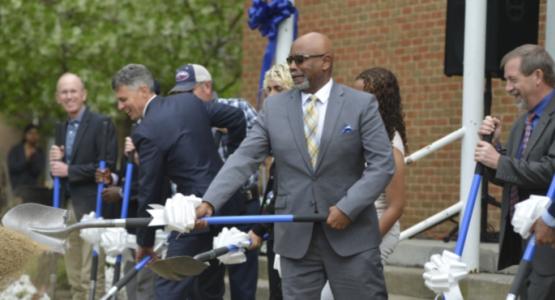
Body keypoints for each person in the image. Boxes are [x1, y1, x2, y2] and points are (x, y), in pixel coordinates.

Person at [197, 32, 395, 299]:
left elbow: (382, 164)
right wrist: (210, 201)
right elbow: (244, 158)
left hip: (352, 236)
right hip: (295, 240)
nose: (292, 66)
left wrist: (349, 208)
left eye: (300, 60)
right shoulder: (274, 108)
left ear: (326, 62)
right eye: (290, 60)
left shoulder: (360, 104)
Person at [111, 63, 246, 300]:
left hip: (196, 214)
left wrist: (145, 242)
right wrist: (232, 165)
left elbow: (150, 189)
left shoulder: (146, 131)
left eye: (123, 99)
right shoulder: (189, 101)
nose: (120, 106)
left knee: (168, 286)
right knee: (209, 287)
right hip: (228, 202)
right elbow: (236, 118)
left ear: (143, 90)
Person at [169, 63, 260, 300]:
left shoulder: (239, 108)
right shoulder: (182, 120)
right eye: (179, 94)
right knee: (205, 281)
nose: (184, 99)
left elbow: (256, 153)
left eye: (189, 92)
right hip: (201, 212)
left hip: (241, 207)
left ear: (207, 87)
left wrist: (230, 135)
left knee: (243, 283)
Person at [474, 44, 555, 300]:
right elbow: (513, 175)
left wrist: (499, 160)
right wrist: (494, 150)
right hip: (524, 237)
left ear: (538, 76)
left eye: (512, 79)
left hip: (548, 236)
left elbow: (550, 171)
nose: (508, 88)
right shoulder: (523, 122)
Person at [321, 67, 408, 299]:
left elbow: (396, 206)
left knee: (335, 294)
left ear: (380, 102)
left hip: (377, 227)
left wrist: (366, 240)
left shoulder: (391, 147)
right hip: (353, 223)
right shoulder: (360, 131)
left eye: (362, 95)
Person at [49, 73, 117, 300]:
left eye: (73, 91)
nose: (69, 96)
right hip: (67, 207)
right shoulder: (61, 127)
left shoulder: (102, 124)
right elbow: (60, 171)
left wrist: (70, 170)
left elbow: (106, 167)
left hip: (92, 206)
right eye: (64, 92)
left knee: (91, 275)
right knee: (74, 274)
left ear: (84, 94)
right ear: (58, 97)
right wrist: (56, 165)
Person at [249, 63, 295, 300]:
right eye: (268, 91)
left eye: (278, 88)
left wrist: (258, 228)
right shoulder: (273, 127)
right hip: (277, 229)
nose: (271, 96)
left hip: (298, 230)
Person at [7, 124, 45, 191]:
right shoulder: (15, 150)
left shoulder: (39, 152)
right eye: (31, 133)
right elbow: (12, 168)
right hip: (17, 188)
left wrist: (31, 158)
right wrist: (26, 159)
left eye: (36, 133)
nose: (33, 136)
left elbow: (37, 171)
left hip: (32, 188)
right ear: (25, 134)